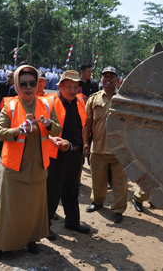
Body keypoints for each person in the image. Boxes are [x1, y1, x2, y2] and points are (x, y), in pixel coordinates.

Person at [0, 65, 61, 260]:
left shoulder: (47, 104)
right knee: (10, 210)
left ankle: (30, 239)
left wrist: (48, 123)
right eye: (23, 84)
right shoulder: (9, 105)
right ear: (17, 85)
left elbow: (57, 129)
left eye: (32, 83)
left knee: (33, 209)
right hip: (15, 167)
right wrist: (17, 131)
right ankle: (1, 244)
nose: (28, 87)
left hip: (38, 168)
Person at [46, 70, 90, 241]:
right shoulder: (50, 102)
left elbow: (85, 125)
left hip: (76, 152)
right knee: (53, 190)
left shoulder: (80, 101)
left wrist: (85, 144)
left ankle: (72, 221)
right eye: (69, 86)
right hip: (57, 154)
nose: (72, 90)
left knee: (72, 189)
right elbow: (43, 129)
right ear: (60, 86)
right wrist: (54, 141)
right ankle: (45, 224)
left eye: (75, 87)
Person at [83, 66, 128, 223]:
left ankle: (118, 209)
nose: (108, 79)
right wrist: (85, 143)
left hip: (120, 149)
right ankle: (97, 202)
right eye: (105, 76)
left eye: (112, 76)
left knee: (120, 181)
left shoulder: (124, 99)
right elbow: (88, 123)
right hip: (98, 146)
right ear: (101, 79)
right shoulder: (93, 99)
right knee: (97, 179)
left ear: (117, 79)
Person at [0, 70, 14, 154]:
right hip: (1, 112)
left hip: (12, 114)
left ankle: (9, 153)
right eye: (8, 76)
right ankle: (2, 153)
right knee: (1, 133)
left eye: (11, 77)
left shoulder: (18, 88)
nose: (9, 78)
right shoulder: (2, 85)